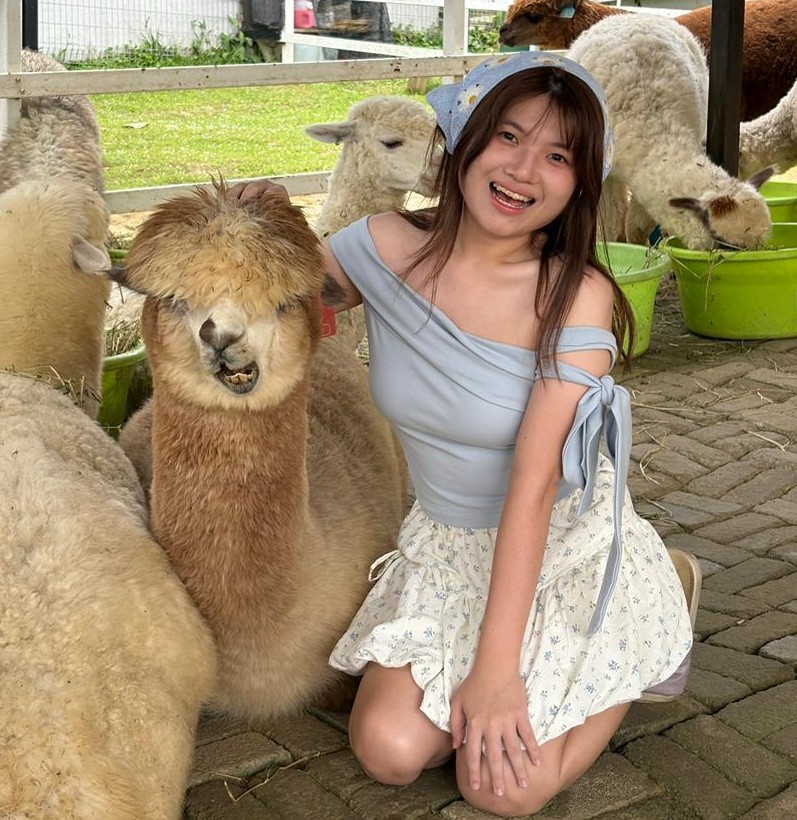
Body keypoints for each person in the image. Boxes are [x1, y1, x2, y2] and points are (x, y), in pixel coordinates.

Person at [231, 51, 694, 818]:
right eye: (507, 137)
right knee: (387, 752)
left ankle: (650, 613)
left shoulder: (574, 296)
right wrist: (260, 220)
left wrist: (495, 671)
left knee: (502, 792)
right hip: (446, 542)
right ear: (466, 140)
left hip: (552, 545)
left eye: (556, 156)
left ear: (579, 182)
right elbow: (287, 289)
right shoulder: (380, 248)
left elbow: (535, 480)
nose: (523, 169)